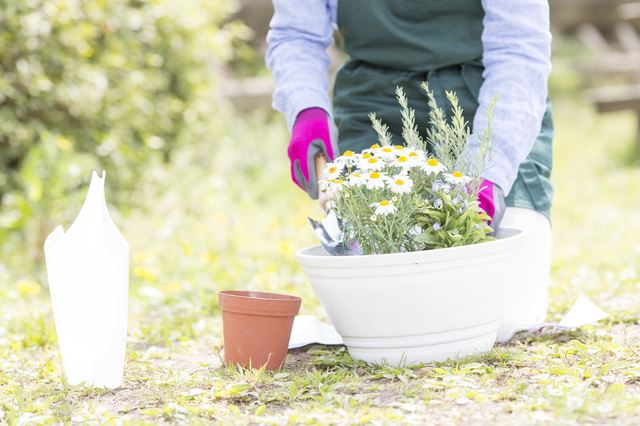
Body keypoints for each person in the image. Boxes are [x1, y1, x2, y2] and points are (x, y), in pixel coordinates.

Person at [266, 0, 553, 341]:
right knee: (382, 318)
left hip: (487, 103)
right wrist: (305, 110)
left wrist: (489, 170)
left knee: (503, 320)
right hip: (377, 106)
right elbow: (296, 33)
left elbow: (519, 49)